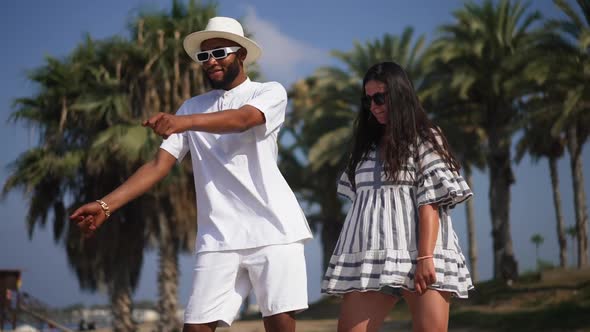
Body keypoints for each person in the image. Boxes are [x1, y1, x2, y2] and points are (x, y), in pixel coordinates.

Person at [70, 16, 312, 332]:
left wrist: (183, 123)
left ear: (241, 54)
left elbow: (243, 119)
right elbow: (159, 166)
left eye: (219, 53)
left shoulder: (268, 91)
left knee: (279, 325)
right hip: (218, 236)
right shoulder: (191, 107)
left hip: (274, 230)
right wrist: (105, 205)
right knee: (195, 326)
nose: (210, 61)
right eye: (203, 56)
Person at [321, 62, 474, 332]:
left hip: (422, 252)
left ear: (400, 95)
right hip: (370, 256)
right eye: (367, 100)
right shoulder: (365, 146)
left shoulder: (425, 137)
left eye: (380, 97)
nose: (374, 105)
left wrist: (425, 257)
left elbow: (430, 201)